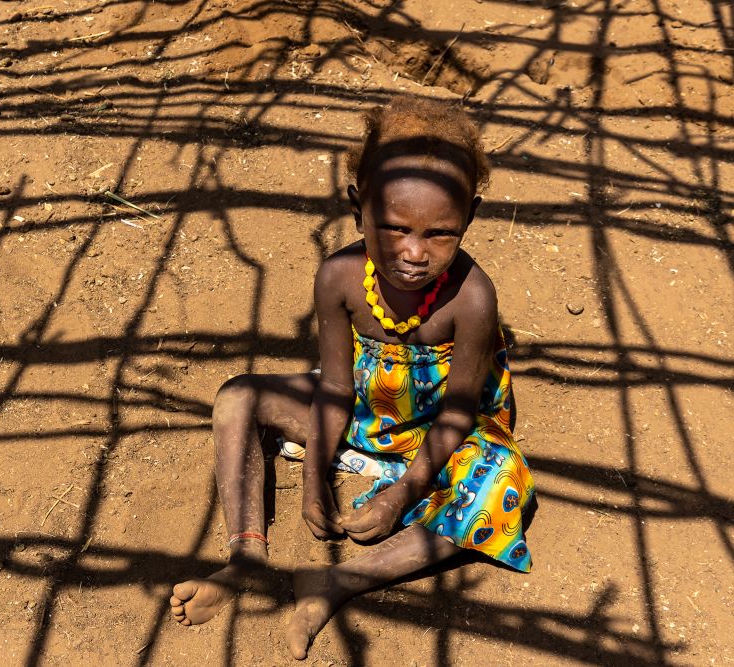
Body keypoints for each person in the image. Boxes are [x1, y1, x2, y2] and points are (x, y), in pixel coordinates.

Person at [169, 94, 536, 660]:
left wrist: (402, 494)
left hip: (436, 437)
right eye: (393, 228)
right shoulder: (340, 276)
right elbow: (337, 387)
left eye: (441, 233)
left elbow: (459, 414)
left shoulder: (472, 298)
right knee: (239, 397)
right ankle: (246, 557)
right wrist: (314, 475)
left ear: (470, 217)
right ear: (356, 206)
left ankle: (339, 582)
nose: (414, 252)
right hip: (360, 411)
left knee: (503, 483)